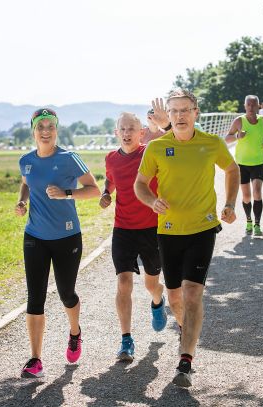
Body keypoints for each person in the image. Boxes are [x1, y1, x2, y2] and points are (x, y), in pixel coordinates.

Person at [134, 88, 239, 388]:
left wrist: (230, 203)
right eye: (174, 111)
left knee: (193, 293)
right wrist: (151, 200)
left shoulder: (211, 143)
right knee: (176, 297)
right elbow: (140, 184)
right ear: (169, 114)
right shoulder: (157, 147)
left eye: (185, 110)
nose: (180, 116)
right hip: (168, 231)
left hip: (203, 228)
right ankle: (184, 328)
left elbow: (232, 169)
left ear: (196, 112)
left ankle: (185, 360)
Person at [16, 108, 101, 378]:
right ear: (33, 130)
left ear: (56, 130)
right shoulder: (26, 161)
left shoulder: (69, 158)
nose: (45, 131)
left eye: (50, 126)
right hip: (35, 236)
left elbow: (94, 190)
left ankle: (75, 332)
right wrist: (22, 201)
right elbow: (27, 182)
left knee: (66, 293)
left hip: (66, 237)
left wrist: (66, 193)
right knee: (35, 297)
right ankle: (35, 359)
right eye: (40, 126)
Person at [99, 112, 167, 363]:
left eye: (132, 129)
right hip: (123, 228)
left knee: (151, 284)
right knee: (124, 282)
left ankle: (158, 300)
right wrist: (106, 193)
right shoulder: (111, 158)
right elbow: (111, 178)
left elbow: (171, 140)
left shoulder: (151, 152)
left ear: (141, 133)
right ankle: (126, 340)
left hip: (151, 228)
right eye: (122, 129)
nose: (127, 133)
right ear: (117, 132)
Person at [225, 95, 263, 237]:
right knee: (246, 196)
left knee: (257, 192)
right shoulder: (239, 121)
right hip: (241, 164)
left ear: (258, 106)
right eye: (248, 105)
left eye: (254, 105)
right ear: (245, 106)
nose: (251, 107)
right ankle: (249, 221)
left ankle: (257, 224)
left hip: (258, 162)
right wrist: (237, 137)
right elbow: (227, 139)